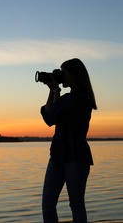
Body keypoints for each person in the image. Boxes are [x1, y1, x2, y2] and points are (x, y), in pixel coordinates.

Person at [40, 58, 97, 223]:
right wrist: (52, 90)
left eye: (63, 72)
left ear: (74, 75)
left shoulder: (83, 100)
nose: (61, 75)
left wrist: (56, 91)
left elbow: (56, 114)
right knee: (47, 204)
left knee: (76, 204)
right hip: (58, 155)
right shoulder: (65, 98)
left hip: (76, 156)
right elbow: (49, 118)